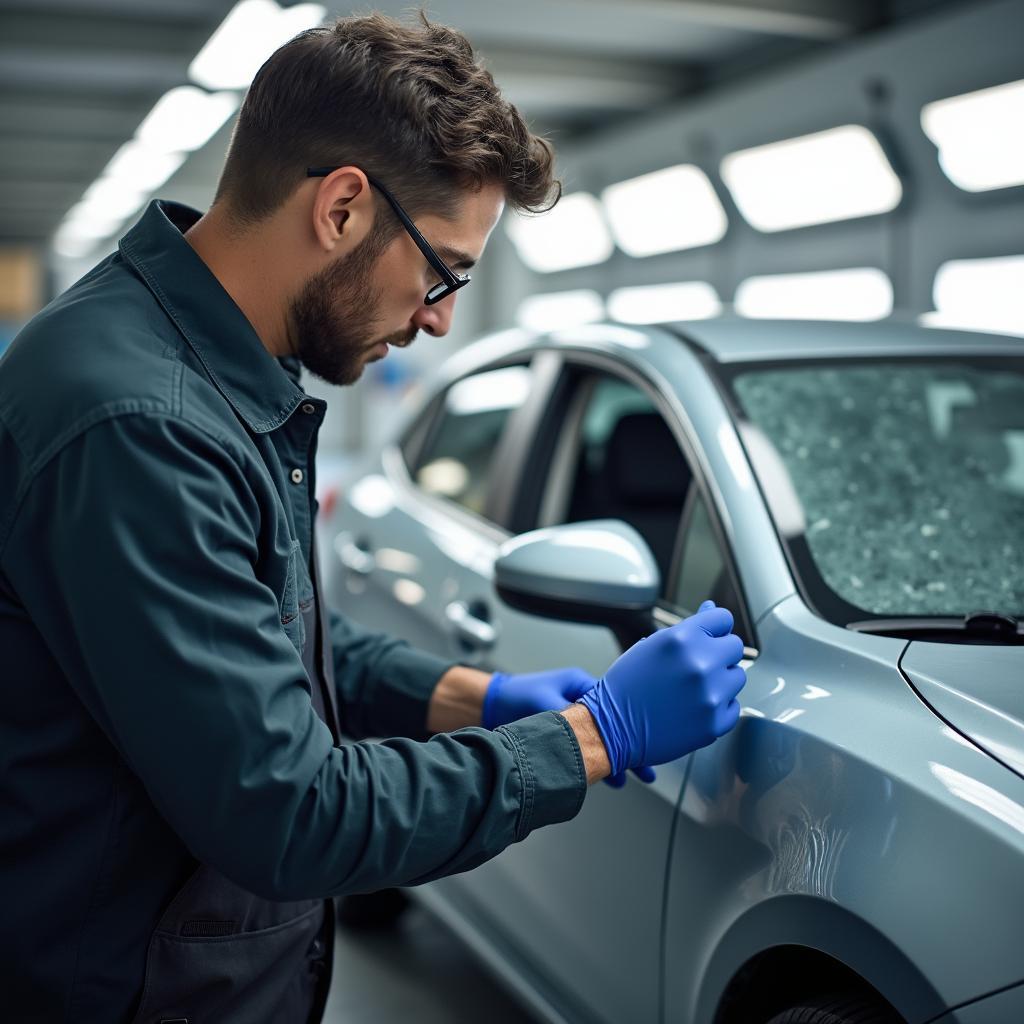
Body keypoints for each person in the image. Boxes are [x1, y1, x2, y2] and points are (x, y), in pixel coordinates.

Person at [0, 13, 747, 1023]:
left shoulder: (206, 361)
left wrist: (470, 695)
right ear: (344, 206)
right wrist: (587, 737)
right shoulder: (142, 423)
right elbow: (286, 811)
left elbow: (261, 630)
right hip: (128, 985)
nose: (438, 316)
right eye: (442, 270)